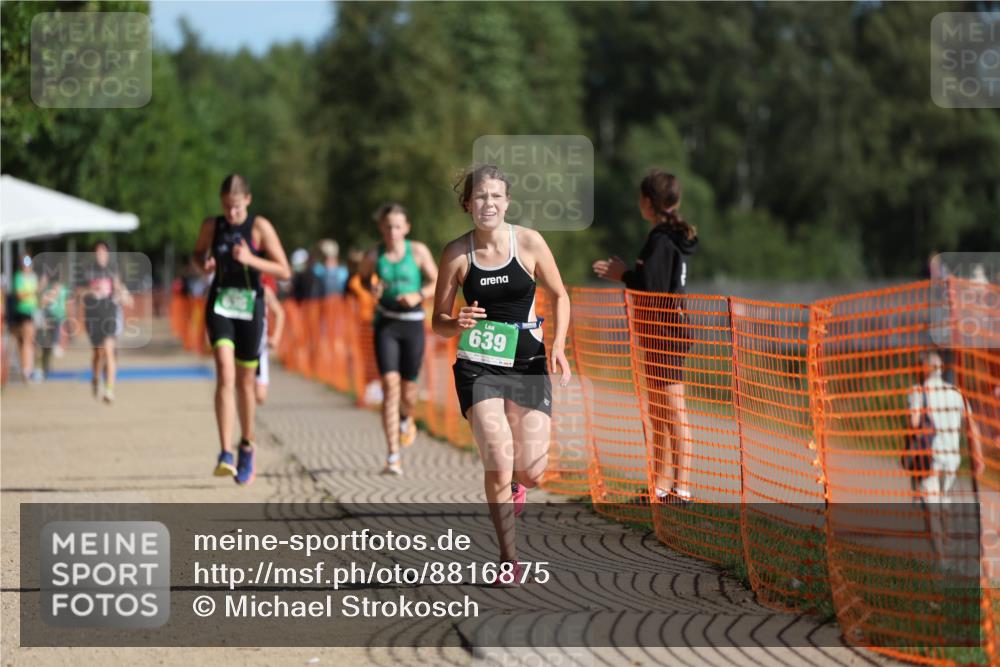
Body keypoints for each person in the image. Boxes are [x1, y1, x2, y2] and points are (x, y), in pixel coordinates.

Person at [433, 164, 571, 582]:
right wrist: (455, 321)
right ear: (466, 204)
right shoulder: (457, 254)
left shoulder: (528, 242)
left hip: (528, 363)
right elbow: (436, 321)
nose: (488, 203)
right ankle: (508, 559)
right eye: (479, 197)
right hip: (478, 364)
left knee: (530, 470)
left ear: (507, 201)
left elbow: (560, 295)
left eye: (495, 196)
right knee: (497, 456)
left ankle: (518, 484)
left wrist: (560, 346)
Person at [593, 169, 698, 503]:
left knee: (673, 411)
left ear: (648, 202)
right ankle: (658, 484)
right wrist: (629, 273)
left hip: (666, 333)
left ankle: (680, 489)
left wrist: (623, 274)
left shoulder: (662, 239)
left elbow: (652, 287)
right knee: (659, 412)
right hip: (658, 332)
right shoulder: (664, 236)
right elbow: (653, 279)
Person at [193, 174, 291, 485]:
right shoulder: (213, 225)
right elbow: (197, 254)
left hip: (251, 307)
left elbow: (284, 270)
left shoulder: (259, 227)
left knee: (246, 383)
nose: (231, 213)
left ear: (247, 200)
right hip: (221, 304)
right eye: (226, 207)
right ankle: (224, 452)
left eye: (235, 207)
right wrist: (203, 263)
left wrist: (251, 259)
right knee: (224, 370)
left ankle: (246, 444)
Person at [359, 203, 438, 474]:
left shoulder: (417, 252)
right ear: (381, 228)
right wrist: (372, 286)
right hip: (386, 324)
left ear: (406, 228)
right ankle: (393, 455)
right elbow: (362, 279)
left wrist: (419, 295)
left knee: (409, 391)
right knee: (389, 385)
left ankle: (407, 417)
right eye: (387, 226)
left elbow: (438, 280)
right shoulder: (373, 254)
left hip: (413, 324)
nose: (392, 231)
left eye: (397, 226)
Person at [907, 351, 984, 564]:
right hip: (952, 459)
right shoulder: (956, 393)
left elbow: (914, 423)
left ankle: (941, 558)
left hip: (928, 457)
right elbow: (971, 425)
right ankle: (947, 547)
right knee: (943, 500)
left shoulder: (918, 391)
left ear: (924, 369)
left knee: (931, 505)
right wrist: (978, 455)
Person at [76, 241, 132, 403]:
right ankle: (95, 378)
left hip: (109, 314)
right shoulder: (87, 271)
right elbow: (78, 293)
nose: (100, 254)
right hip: (93, 316)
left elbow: (119, 287)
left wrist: (125, 295)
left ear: (107, 254)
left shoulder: (112, 270)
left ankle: (109, 391)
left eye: (103, 251)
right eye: (98, 252)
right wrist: (91, 291)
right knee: (98, 353)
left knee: (109, 351)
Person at [255, 274, 285, 405]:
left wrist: (276, 337)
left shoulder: (264, 290)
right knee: (244, 388)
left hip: (259, 348)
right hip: (239, 346)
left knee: (260, 396)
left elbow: (279, 313)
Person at [10, 254, 39, 383]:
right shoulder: (18, 277)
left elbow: (34, 294)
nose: (27, 267)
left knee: (28, 340)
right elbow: (20, 295)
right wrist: (31, 293)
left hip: (32, 310)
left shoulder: (33, 277)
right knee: (26, 340)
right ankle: (27, 369)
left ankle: (27, 368)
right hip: (22, 311)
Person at [37, 271, 69, 379]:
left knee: (49, 343)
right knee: (45, 344)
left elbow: (66, 304)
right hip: (47, 319)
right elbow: (41, 302)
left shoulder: (63, 290)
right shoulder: (47, 290)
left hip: (57, 318)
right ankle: (43, 366)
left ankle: (46, 365)